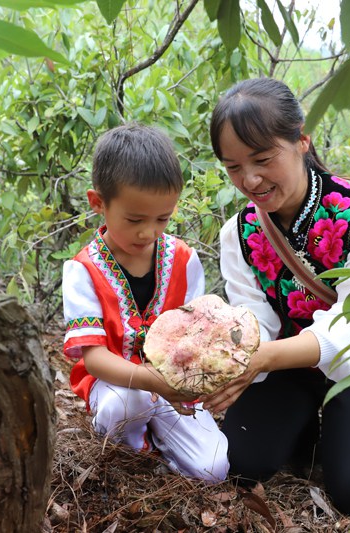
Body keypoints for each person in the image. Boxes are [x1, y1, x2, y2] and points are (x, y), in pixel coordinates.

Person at [201, 78, 350, 517]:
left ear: (301, 141)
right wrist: (232, 359)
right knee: (239, 465)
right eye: (232, 167)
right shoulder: (239, 233)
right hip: (285, 366)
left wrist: (262, 359)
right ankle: (309, 427)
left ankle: (342, 428)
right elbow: (255, 316)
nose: (249, 180)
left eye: (262, 159)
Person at [62, 123, 229, 483]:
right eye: (135, 219)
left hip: (173, 389)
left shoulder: (184, 261)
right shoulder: (83, 271)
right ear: (98, 203)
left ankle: (161, 445)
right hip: (116, 387)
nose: (148, 232)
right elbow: (93, 357)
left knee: (213, 469)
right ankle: (129, 451)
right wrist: (150, 381)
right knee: (130, 402)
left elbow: (196, 336)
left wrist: (188, 384)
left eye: (162, 219)